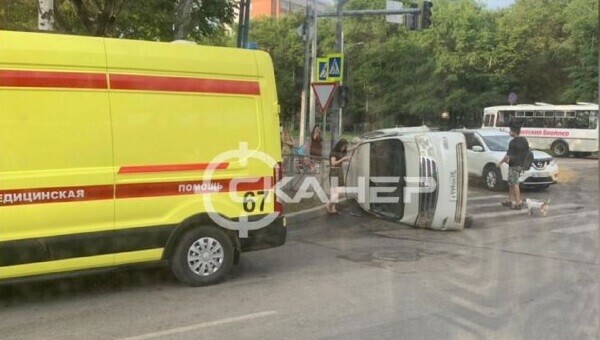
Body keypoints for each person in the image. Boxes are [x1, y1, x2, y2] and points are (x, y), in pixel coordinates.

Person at [496, 122, 529, 210]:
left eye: (510, 131)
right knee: (511, 183)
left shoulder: (512, 142)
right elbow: (527, 152)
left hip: (514, 166)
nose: (509, 132)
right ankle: (510, 200)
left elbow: (507, 156)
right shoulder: (524, 140)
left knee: (514, 183)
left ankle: (518, 203)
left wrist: (500, 163)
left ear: (514, 132)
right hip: (521, 165)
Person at [326, 138, 351, 215]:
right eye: (344, 147)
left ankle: (332, 207)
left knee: (339, 192)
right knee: (336, 193)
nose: (344, 149)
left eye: (345, 147)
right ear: (340, 145)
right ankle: (329, 205)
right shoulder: (333, 152)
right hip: (334, 172)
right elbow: (333, 163)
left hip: (339, 171)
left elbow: (351, 149)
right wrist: (343, 159)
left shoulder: (340, 151)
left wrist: (359, 144)